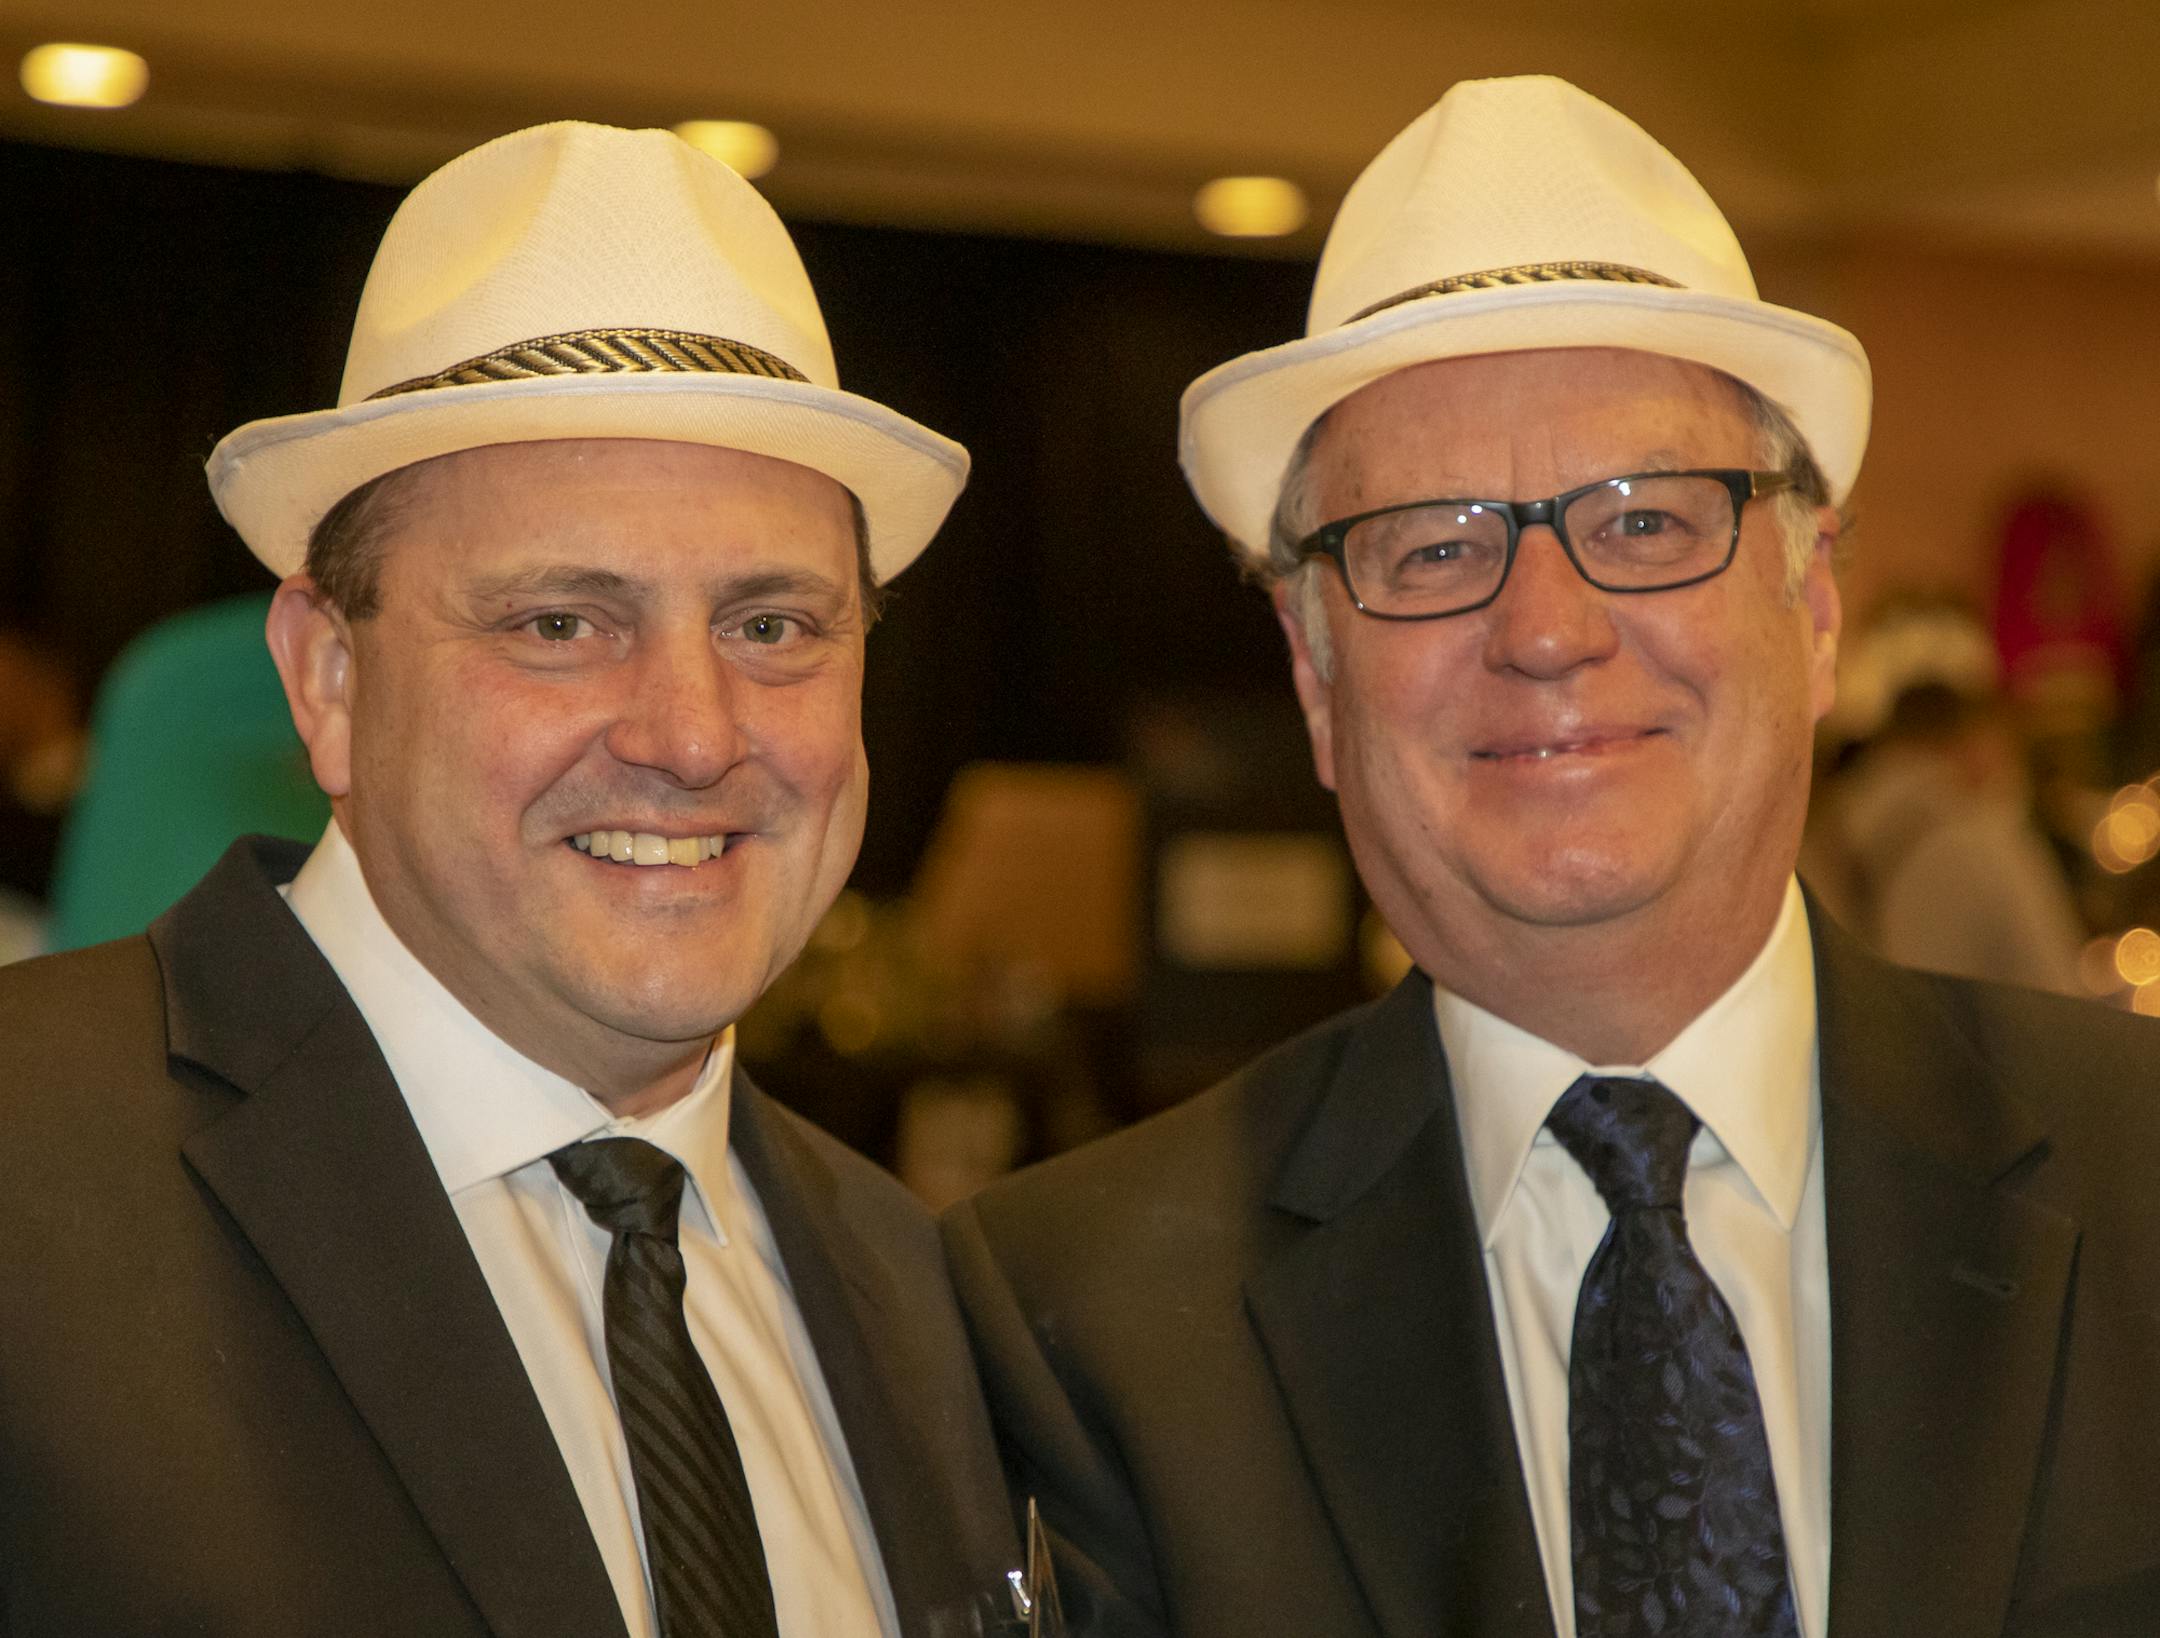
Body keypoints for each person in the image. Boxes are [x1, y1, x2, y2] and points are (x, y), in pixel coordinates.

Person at [945, 76, 2160, 1638]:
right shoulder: (1083, 1322)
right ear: (1318, 678)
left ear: (1818, 608)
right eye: (1437, 546)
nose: (1546, 629)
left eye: (1649, 520)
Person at [0, 122, 1015, 1637]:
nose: (691, 734)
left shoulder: (926, 1297)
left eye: (775, 624)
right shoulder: (32, 1185)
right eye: (559, 622)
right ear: (329, 678)